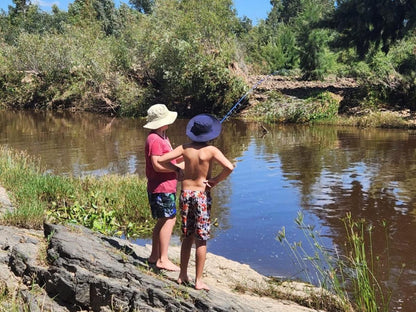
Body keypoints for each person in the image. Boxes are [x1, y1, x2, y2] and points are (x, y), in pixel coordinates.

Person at [158, 113, 234, 290]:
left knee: (187, 236)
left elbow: (161, 159)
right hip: (201, 196)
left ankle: (182, 275)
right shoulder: (211, 151)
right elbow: (229, 167)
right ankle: (198, 280)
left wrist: (177, 170)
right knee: (201, 239)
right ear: (210, 134)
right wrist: (215, 180)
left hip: (185, 194)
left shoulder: (184, 148)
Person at [143, 103, 183, 271]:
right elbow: (157, 165)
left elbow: (167, 160)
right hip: (161, 187)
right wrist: (176, 169)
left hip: (166, 186)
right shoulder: (154, 139)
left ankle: (154, 256)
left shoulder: (163, 136)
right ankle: (162, 259)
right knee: (169, 219)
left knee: (163, 220)